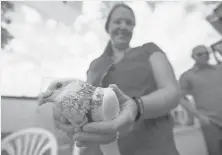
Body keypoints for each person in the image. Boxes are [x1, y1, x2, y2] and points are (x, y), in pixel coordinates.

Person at [53, 3, 180, 155]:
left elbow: (172, 92)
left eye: (129, 23)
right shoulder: (95, 65)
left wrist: (135, 107)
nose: (123, 26)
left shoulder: (149, 50)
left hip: (152, 146)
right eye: (117, 21)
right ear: (108, 27)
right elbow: (88, 103)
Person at [179, 45, 222, 155]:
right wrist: (198, 115)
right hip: (211, 121)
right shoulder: (187, 76)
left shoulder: (219, 69)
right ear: (193, 57)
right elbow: (180, 97)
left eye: (206, 53)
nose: (204, 56)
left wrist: (219, 51)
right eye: (200, 54)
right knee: (215, 151)